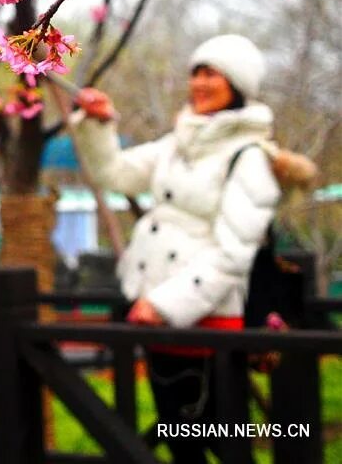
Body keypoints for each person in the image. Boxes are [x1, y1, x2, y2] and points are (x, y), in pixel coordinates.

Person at [72, 34, 280, 464]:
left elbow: (235, 252)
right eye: (196, 73)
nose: (200, 83)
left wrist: (166, 305)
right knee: (181, 442)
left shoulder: (250, 155)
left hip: (205, 317)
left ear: (237, 85)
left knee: (224, 442)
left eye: (212, 74)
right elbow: (117, 173)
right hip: (157, 309)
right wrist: (100, 123)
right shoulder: (178, 141)